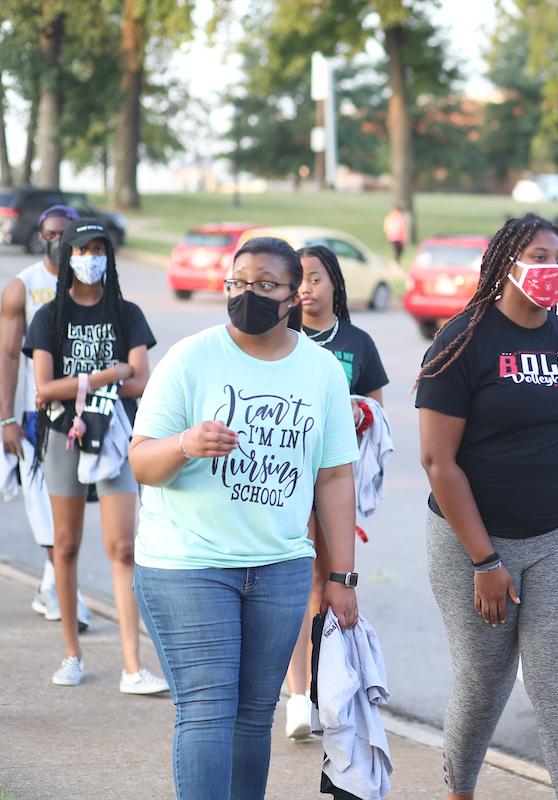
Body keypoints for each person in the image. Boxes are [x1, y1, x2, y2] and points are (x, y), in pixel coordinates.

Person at [128, 236, 361, 800]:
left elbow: (333, 477)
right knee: (208, 710)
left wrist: (342, 577)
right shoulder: (192, 357)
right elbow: (141, 460)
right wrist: (184, 442)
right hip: (189, 564)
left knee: (254, 716)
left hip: (280, 567)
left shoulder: (321, 370)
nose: (247, 294)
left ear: (292, 297)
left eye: (264, 285)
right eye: (238, 283)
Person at [415, 213, 558, 800]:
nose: (553, 270)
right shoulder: (462, 340)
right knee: (485, 680)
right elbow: (439, 463)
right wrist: (485, 562)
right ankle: (458, 790)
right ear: (506, 262)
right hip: (473, 541)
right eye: (540, 256)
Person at [24, 217, 165, 693]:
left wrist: (98, 379)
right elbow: (45, 389)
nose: (92, 259)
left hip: (117, 436)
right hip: (64, 435)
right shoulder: (49, 318)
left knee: (123, 547)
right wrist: (110, 373)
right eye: (83, 251)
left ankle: (132, 665)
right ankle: (71, 652)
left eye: (100, 249)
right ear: (69, 256)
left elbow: (143, 380)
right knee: (65, 544)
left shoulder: (126, 314)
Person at [282, 244, 389, 739]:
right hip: (286, 476)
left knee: (334, 582)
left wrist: (359, 411)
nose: (306, 287)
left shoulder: (358, 343)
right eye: (298, 279)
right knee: (303, 582)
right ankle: (298, 697)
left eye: (315, 278)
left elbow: (378, 413)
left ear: (335, 285)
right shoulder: (280, 338)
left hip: (336, 480)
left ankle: (333, 689)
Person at [0, 204, 90, 629]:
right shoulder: (24, 286)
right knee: (44, 505)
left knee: (70, 508)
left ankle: (52, 585)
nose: (58, 241)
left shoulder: (92, 285)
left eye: (65, 233)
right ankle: (60, 591)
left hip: (88, 417)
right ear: (40, 236)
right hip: (35, 416)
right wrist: (6, 419)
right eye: (50, 234)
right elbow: (6, 356)